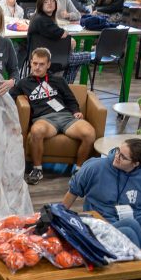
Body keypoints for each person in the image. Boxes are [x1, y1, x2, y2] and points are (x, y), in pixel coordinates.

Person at [62, 138, 141, 261]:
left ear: (136, 164)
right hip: (102, 223)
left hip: (135, 220)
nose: (117, 156)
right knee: (129, 228)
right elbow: (72, 193)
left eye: (123, 157)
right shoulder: (94, 167)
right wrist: (57, 220)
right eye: (118, 151)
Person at [10, 46, 96, 185]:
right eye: (35, 63)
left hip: (66, 116)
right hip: (44, 119)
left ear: (48, 64)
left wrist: (75, 111)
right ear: (31, 62)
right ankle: (37, 169)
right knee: (36, 131)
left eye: (42, 64)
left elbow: (70, 99)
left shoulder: (58, 81)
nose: (37, 67)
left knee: (90, 133)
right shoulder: (24, 83)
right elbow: (9, 98)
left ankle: (79, 170)